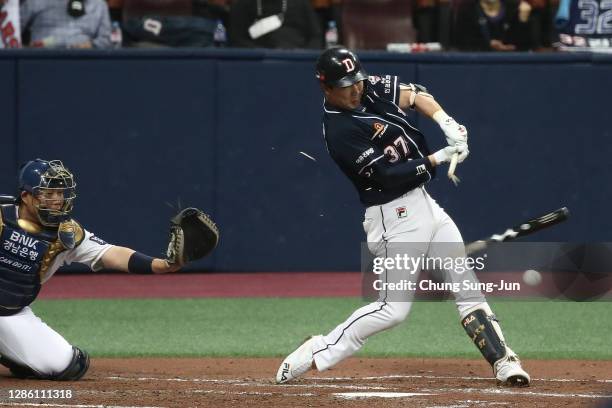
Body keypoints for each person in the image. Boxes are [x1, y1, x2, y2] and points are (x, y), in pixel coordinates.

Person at [275, 47, 530, 387]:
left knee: (466, 288)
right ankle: (319, 348)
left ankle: (503, 360)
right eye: (345, 85)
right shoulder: (338, 131)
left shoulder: (367, 86)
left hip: (426, 205)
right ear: (325, 87)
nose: (355, 90)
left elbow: (415, 96)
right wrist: (438, 157)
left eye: (357, 81)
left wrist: (447, 123)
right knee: (392, 310)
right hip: (392, 217)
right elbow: (387, 176)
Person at [0, 159, 179, 380]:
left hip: (10, 313)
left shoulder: (66, 234)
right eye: (49, 193)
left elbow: (111, 254)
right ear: (26, 196)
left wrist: (162, 265)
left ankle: (11, 352)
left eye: (60, 193)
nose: (57, 200)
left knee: (67, 365)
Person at [229, 0, 322, 49]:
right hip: (258, 61)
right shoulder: (244, 4)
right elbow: (236, 39)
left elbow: (316, 36)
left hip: (298, 59)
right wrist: (259, 51)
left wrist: (304, 54)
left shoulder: (300, 3)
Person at [20, 0, 111, 48]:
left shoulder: (99, 5)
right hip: (39, 60)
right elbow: (12, 31)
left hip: (83, 61)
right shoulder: (36, 1)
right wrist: (25, 49)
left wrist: (91, 45)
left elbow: (106, 40)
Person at [453, 0, 535, 51]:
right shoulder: (467, 8)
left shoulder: (515, 8)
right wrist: (487, 44)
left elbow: (526, 46)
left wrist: (523, 20)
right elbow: (461, 43)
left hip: (509, 65)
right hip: (476, 65)